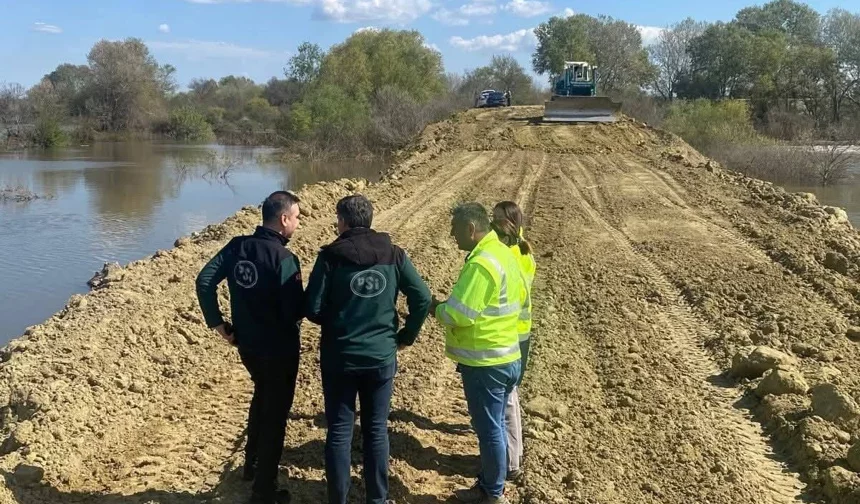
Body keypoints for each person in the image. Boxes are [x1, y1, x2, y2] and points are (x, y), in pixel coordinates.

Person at [305, 194, 432, 504]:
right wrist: (405, 335)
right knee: (376, 430)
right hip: (381, 356)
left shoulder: (330, 257)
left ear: (343, 222)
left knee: (339, 430)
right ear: (370, 220)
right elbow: (423, 299)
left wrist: (335, 322)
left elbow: (312, 307)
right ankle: (378, 499)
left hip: (340, 356)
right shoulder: (394, 254)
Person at [195, 191, 303, 504]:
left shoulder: (236, 246)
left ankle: (251, 463)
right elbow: (294, 310)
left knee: (261, 393)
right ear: (284, 220)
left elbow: (204, 281)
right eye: (296, 218)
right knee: (276, 413)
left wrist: (219, 324)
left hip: (247, 345)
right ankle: (264, 489)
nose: (297, 224)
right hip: (279, 349)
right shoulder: (284, 259)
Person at [431, 202, 526, 504]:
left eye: (455, 229)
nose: (451, 234)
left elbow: (461, 313)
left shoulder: (482, 263)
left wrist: (436, 307)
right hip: (508, 355)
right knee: (496, 425)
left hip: (486, 362)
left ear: (471, 229)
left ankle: (491, 491)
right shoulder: (504, 254)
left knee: (490, 432)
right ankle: (493, 483)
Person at [491, 201, 535, 482]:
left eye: (495, 219)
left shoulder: (508, 255)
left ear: (507, 223)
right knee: (510, 398)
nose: (491, 224)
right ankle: (511, 455)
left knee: (506, 401)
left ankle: (509, 461)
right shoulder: (525, 252)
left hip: (509, 334)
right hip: (521, 333)